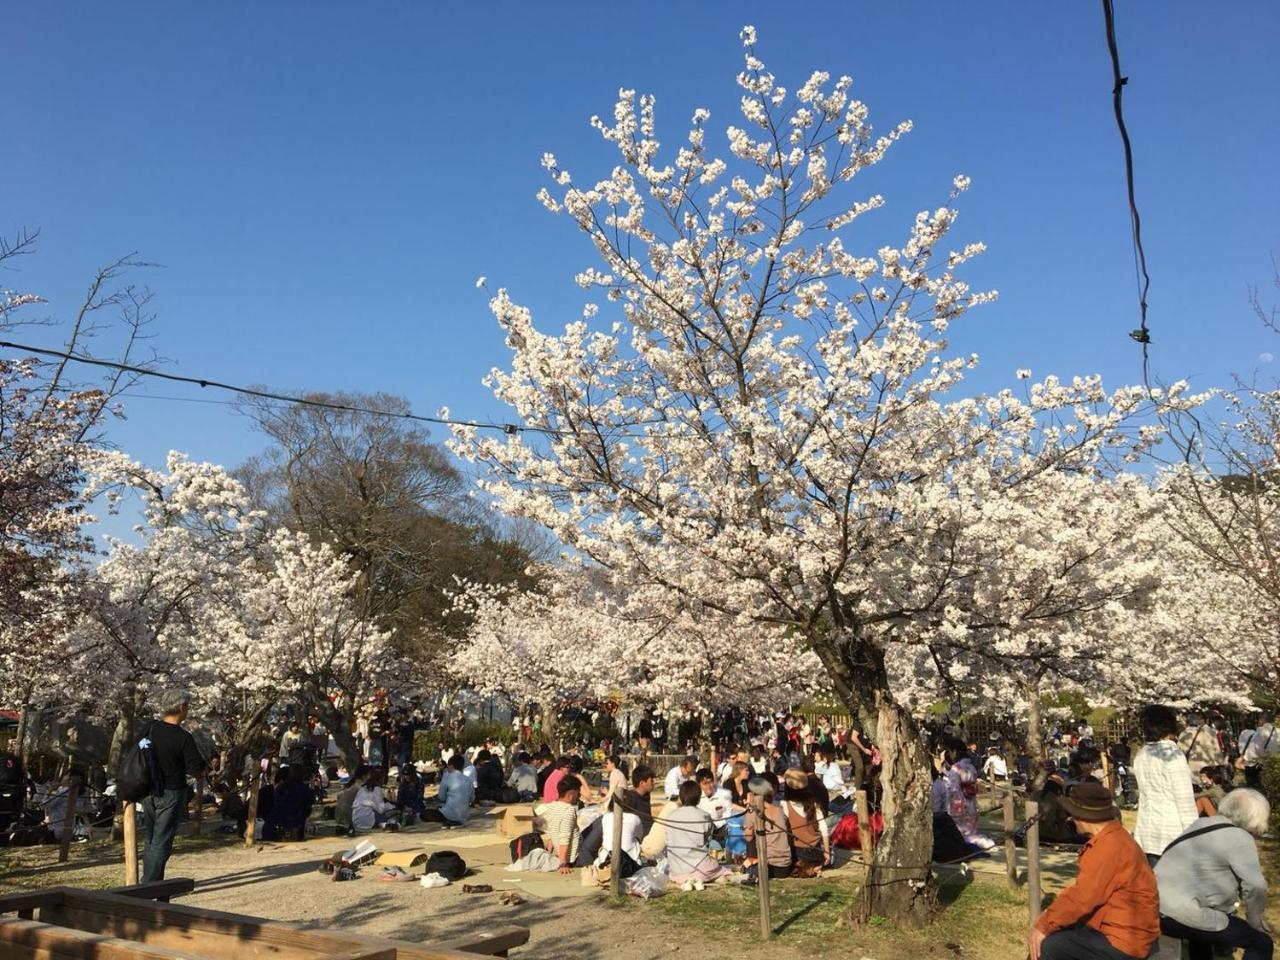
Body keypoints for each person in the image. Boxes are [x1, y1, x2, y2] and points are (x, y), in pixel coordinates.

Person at [1029, 781, 1159, 960]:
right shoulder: (1115, 838)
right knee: (1062, 930)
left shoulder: (1108, 847)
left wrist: (1043, 925)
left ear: (1084, 816)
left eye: (1072, 814)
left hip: (1125, 940)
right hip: (1128, 932)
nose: (1071, 819)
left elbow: (1082, 898)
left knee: (1052, 946)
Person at [1154, 788, 1273, 960]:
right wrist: (1255, 924)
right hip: (1181, 913)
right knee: (1261, 943)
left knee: (1204, 932)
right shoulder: (1239, 837)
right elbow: (1255, 885)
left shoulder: (1201, 824)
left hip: (1157, 906)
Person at [140, 691, 207, 882]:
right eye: (187, 706)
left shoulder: (149, 728)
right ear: (181, 707)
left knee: (151, 839)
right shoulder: (183, 737)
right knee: (162, 842)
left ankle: (152, 883)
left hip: (147, 790)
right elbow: (195, 768)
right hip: (170, 792)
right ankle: (149, 886)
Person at [1133, 705, 1197, 864]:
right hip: (1173, 833)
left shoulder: (1142, 754)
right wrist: (1195, 834)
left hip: (1147, 831)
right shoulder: (1173, 754)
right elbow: (1184, 799)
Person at [666, 780, 731, 886]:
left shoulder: (671, 815)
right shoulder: (704, 815)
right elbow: (707, 839)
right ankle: (700, 878)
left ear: (681, 797)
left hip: (675, 868)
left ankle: (687, 880)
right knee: (718, 867)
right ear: (698, 797)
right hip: (698, 866)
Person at [939, 740, 994, 850]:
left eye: (950, 752)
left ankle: (984, 844)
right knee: (971, 833)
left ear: (954, 752)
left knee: (962, 837)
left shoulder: (956, 769)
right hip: (971, 803)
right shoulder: (971, 767)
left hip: (959, 807)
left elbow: (953, 790)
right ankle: (985, 843)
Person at [779, 769, 831, 876]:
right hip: (816, 851)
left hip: (798, 852)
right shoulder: (814, 803)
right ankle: (815, 867)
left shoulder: (785, 805)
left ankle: (807, 869)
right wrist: (826, 851)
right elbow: (824, 828)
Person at [742, 776, 791, 881]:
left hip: (767, 866)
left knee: (750, 835)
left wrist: (749, 810)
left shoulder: (753, 813)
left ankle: (751, 865)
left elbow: (748, 838)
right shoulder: (779, 810)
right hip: (785, 866)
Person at [542, 774, 586, 874]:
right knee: (600, 821)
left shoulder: (552, 806)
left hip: (564, 852)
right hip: (575, 857)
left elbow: (554, 829)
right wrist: (563, 863)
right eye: (578, 793)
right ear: (570, 795)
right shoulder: (568, 810)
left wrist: (551, 843)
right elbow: (564, 839)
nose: (579, 796)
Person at [423, 754, 474, 827]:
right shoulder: (468, 780)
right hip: (464, 816)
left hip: (448, 814)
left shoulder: (447, 776)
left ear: (451, 766)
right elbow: (472, 798)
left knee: (425, 814)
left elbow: (441, 797)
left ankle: (450, 821)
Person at [1239, 710, 1279, 789]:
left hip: (1263, 764)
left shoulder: (1260, 732)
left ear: (1262, 720)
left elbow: (1256, 749)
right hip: (1276, 764)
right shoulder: (1278, 731)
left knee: (1262, 788)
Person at [1178, 713, 1226, 778]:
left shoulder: (1184, 733)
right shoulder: (1209, 732)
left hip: (1192, 763)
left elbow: (1180, 749)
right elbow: (1215, 748)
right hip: (1207, 763)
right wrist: (1219, 762)